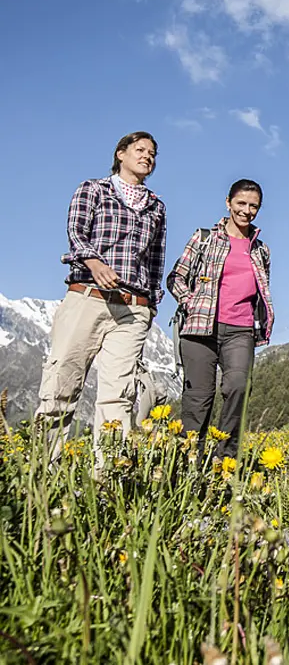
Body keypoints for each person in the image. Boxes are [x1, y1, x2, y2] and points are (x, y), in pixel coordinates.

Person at [35, 131, 167, 464]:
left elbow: (155, 260)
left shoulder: (156, 206)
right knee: (61, 384)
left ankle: (108, 476)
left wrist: (150, 302)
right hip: (88, 296)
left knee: (118, 396)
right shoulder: (93, 189)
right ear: (120, 154)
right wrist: (94, 263)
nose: (147, 157)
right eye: (140, 150)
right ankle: (43, 473)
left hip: (132, 309)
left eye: (153, 153)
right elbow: (76, 232)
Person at [166, 179, 274, 462]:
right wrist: (190, 301)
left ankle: (225, 460)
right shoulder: (204, 238)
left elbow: (261, 291)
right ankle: (189, 463)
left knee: (238, 386)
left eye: (253, 206)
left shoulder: (261, 250)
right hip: (200, 329)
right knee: (198, 399)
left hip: (240, 330)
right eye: (241, 203)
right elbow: (176, 277)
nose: (247, 210)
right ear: (228, 203)